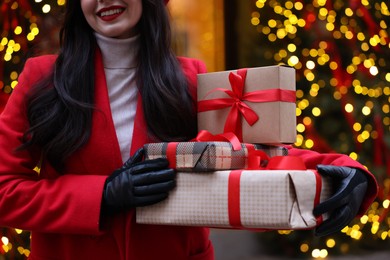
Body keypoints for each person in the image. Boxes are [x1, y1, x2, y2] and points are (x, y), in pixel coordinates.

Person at [0, 0, 378, 259]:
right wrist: (103, 195)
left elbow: (256, 155)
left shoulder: (191, 79)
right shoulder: (42, 78)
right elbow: (5, 188)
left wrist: (346, 169)